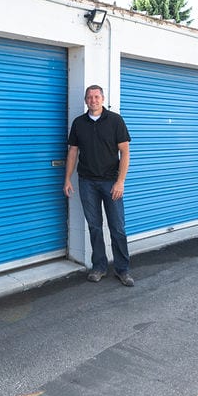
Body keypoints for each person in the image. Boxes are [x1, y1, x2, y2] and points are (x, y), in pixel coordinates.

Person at [63, 85, 133, 286]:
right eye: (89, 97)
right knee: (94, 226)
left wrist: (120, 181)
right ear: (85, 100)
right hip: (87, 182)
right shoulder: (79, 123)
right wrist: (67, 178)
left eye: (96, 96)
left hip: (111, 182)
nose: (93, 100)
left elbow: (125, 152)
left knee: (117, 227)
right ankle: (99, 266)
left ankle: (123, 269)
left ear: (102, 99)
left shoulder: (115, 121)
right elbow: (73, 152)